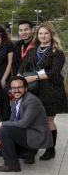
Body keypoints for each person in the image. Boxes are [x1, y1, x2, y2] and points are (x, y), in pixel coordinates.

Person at [19, 22, 67, 161]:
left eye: (46, 33)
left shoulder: (57, 52)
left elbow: (54, 72)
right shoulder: (33, 50)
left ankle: (50, 150)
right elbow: (23, 66)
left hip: (51, 90)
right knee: (33, 118)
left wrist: (34, 77)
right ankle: (33, 147)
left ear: (52, 35)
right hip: (34, 90)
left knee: (48, 120)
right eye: (40, 33)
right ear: (37, 35)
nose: (43, 36)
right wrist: (20, 77)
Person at [0, 76, 53, 172]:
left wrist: (1, 124)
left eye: (19, 87)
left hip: (36, 135)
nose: (16, 90)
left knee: (5, 130)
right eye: (13, 88)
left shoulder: (31, 100)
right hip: (25, 132)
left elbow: (24, 123)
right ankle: (28, 153)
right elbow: (12, 120)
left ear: (25, 88)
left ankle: (12, 165)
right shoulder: (14, 101)